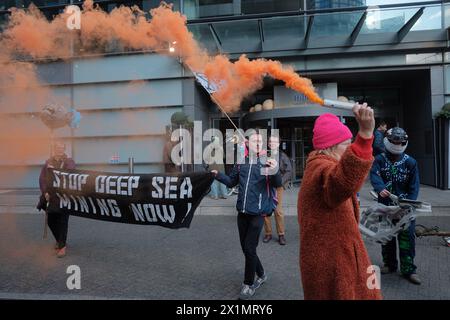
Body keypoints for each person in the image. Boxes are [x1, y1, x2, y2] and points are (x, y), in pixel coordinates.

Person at [297, 104, 382, 300]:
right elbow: (341, 183)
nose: (350, 148)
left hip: (332, 261)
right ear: (331, 147)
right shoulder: (321, 169)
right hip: (333, 266)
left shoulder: (319, 166)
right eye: (347, 144)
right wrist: (365, 134)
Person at [211, 131, 282, 300]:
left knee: (250, 249)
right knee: (246, 249)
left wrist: (274, 170)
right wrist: (218, 175)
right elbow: (231, 182)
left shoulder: (266, 162)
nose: (257, 143)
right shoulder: (241, 162)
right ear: (248, 143)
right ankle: (262, 274)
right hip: (241, 213)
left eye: (260, 141)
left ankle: (248, 284)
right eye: (254, 140)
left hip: (258, 214)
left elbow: (277, 184)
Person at [369, 127, 421, 285]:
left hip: (405, 209)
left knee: (407, 239)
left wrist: (409, 204)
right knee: (386, 237)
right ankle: (389, 264)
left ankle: (409, 269)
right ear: (387, 141)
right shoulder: (379, 159)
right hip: (385, 207)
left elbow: (414, 186)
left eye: (400, 142)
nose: (397, 144)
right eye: (394, 141)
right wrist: (379, 187)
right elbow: (374, 174)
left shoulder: (411, 162)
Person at [38, 141, 75, 258]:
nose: (60, 150)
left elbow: (71, 173)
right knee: (51, 220)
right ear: (54, 149)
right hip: (51, 197)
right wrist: (45, 192)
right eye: (58, 148)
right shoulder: (48, 162)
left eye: (62, 148)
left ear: (64, 149)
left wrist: (55, 170)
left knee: (63, 221)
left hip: (65, 196)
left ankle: (62, 246)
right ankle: (60, 240)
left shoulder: (69, 161)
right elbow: (42, 179)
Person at [263, 135, 292, 245]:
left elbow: (288, 171)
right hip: (265, 186)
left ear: (278, 143)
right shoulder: (264, 154)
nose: (272, 143)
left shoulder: (282, 156)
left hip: (278, 187)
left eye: (275, 142)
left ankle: (281, 234)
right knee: (265, 210)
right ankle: (268, 233)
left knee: (278, 211)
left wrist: (280, 182)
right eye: (270, 141)